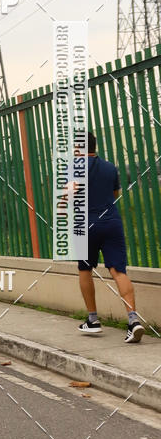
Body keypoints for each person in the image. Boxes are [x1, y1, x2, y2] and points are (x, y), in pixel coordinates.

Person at [77, 132, 145, 343]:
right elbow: (114, 196)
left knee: (85, 268)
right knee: (118, 270)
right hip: (112, 223)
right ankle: (133, 320)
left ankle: (93, 320)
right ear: (94, 146)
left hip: (86, 224)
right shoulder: (110, 167)